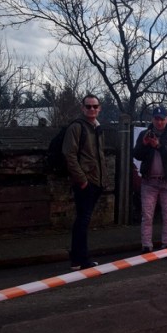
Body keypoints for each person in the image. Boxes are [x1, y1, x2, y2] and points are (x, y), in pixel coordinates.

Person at [63, 94, 107, 270]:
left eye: (95, 106)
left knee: (83, 221)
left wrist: (102, 181)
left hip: (95, 181)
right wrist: (82, 181)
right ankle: (80, 259)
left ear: (99, 108)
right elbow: (69, 155)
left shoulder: (96, 128)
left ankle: (78, 258)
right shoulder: (76, 127)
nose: (92, 109)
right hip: (86, 182)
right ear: (82, 108)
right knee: (82, 221)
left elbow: (100, 155)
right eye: (88, 106)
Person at [133, 105, 167, 254]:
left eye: (162, 119)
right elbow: (136, 154)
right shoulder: (144, 134)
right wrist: (146, 145)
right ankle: (146, 245)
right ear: (152, 119)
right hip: (149, 181)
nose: (159, 122)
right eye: (156, 119)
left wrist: (159, 146)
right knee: (147, 215)